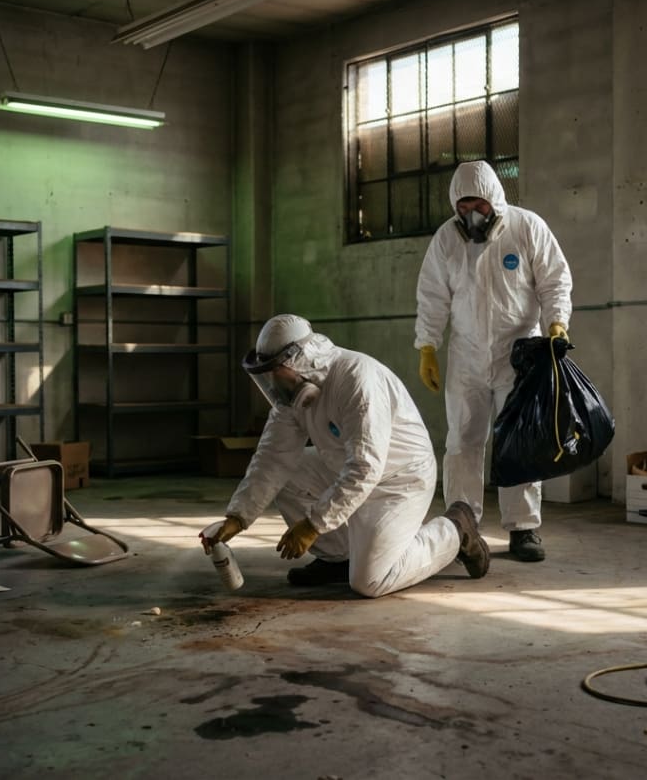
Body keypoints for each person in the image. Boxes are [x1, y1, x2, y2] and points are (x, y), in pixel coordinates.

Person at [200, 314, 490, 598]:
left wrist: (314, 524)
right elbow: (272, 457)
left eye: (277, 375)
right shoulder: (293, 397)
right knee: (287, 472)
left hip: (398, 480)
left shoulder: (357, 379)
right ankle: (338, 559)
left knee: (370, 581)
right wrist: (238, 516)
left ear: (300, 359)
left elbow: (365, 466)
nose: (274, 387)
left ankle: (455, 529)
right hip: (344, 467)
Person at [414, 160, 573, 563]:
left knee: (518, 441)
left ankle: (523, 529)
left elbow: (555, 278)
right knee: (462, 441)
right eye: (463, 205)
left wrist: (556, 321)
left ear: (495, 202)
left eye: (478, 205)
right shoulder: (447, 240)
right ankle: (462, 527)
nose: (471, 213)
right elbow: (432, 296)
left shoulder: (525, 227)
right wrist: (427, 346)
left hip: (518, 354)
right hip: (466, 356)